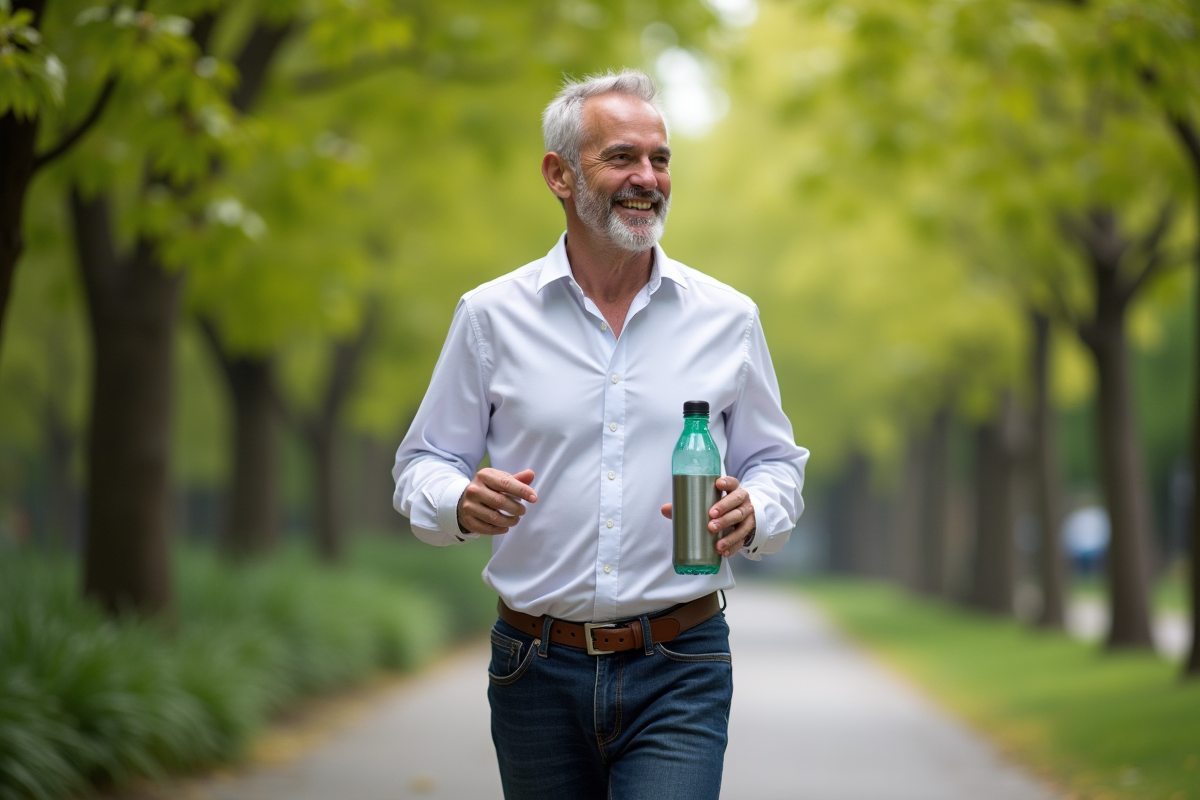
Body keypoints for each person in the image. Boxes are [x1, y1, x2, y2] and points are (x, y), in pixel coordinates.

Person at [392, 69, 808, 800]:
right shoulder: (491, 316)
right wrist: (457, 500)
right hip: (533, 666)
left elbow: (775, 462)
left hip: (682, 661)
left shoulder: (728, 318)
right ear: (558, 174)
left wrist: (758, 511)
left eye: (661, 159)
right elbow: (423, 461)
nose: (647, 178)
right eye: (621, 157)